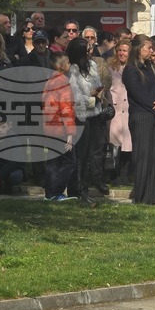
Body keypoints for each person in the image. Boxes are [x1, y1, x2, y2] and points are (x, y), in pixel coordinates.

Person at [122, 34, 155, 205]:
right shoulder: (131, 69)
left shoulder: (150, 66)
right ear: (138, 49)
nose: (151, 51)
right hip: (142, 116)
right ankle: (142, 196)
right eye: (148, 48)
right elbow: (139, 95)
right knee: (143, 156)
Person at [66, 37, 104, 204]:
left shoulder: (93, 65)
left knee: (91, 155)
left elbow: (99, 86)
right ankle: (78, 190)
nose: (91, 50)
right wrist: (93, 99)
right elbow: (75, 97)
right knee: (80, 156)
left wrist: (99, 94)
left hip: (96, 115)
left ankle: (85, 188)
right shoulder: (72, 70)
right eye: (88, 48)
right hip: (80, 117)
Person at [42, 52, 77, 202]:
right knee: (68, 161)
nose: (69, 65)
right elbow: (66, 109)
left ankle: (49, 193)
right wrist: (70, 133)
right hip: (60, 129)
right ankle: (56, 191)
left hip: (49, 127)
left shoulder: (49, 81)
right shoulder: (63, 81)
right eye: (68, 62)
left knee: (52, 161)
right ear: (61, 66)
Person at [107, 40, 132, 186]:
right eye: (120, 50)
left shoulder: (133, 68)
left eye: (125, 51)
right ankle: (113, 175)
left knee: (128, 145)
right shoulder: (110, 67)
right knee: (114, 144)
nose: (122, 53)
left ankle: (125, 174)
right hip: (115, 111)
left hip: (128, 110)